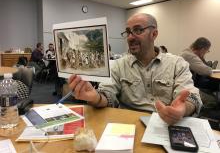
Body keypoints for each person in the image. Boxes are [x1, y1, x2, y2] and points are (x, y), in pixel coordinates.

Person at [68, 13, 202, 125]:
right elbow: (108, 95)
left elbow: (192, 98)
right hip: (128, 128)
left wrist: (182, 108)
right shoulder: (119, 65)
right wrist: (96, 97)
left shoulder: (177, 64)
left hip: (166, 126)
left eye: (138, 30)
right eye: (128, 32)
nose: (131, 37)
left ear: (154, 34)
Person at [181, 37, 219, 108]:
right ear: (202, 49)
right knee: (213, 100)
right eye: (207, 51)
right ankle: (198, 113)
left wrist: (201, 57)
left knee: (214, 87)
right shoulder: (189, 56)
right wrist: (201, 57)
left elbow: (206, 67)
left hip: (188, 85)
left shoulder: (189, 53)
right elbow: (207, 71)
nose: (206, 53)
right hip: (184, 88)